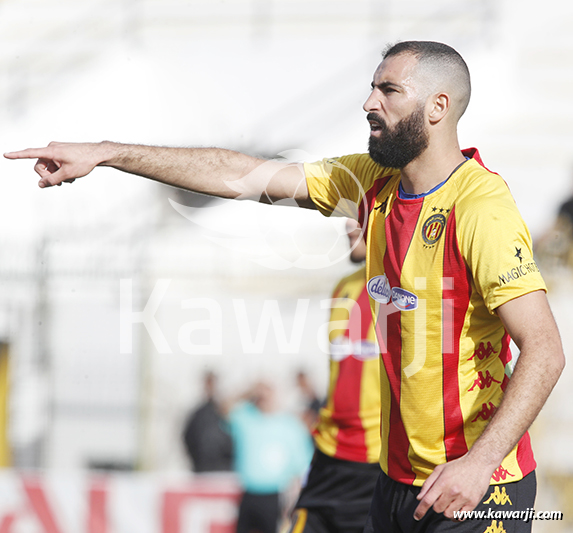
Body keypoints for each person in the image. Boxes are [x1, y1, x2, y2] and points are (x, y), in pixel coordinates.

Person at [5, 40, 565, 532]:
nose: (369, 103)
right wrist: (108, 155)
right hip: (395, 482)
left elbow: (545, 350)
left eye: (388, 90)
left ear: (438, 107)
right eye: (371, 88)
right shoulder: (373, 182)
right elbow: (241, 176)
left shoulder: (481, 208)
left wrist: (480, 463)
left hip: (477, 487)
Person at [289, 219, 381, 533]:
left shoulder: (421, 290)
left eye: (361, 213)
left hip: (378, 467)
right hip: (328, 455)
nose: (347, 224)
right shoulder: (343, 287)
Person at [224, 381, 314, 533]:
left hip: (276, 494)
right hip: (248, 492)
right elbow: (224, 408)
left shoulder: (289, 424)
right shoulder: (246, 417)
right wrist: (248, 390)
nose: (264, 399)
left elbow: (302, 466)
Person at [181, 371, 234, 473]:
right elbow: (188, 438)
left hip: (226, 470)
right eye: (208, 383)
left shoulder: (229, 412)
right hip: (203, 470)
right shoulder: (198, 414)